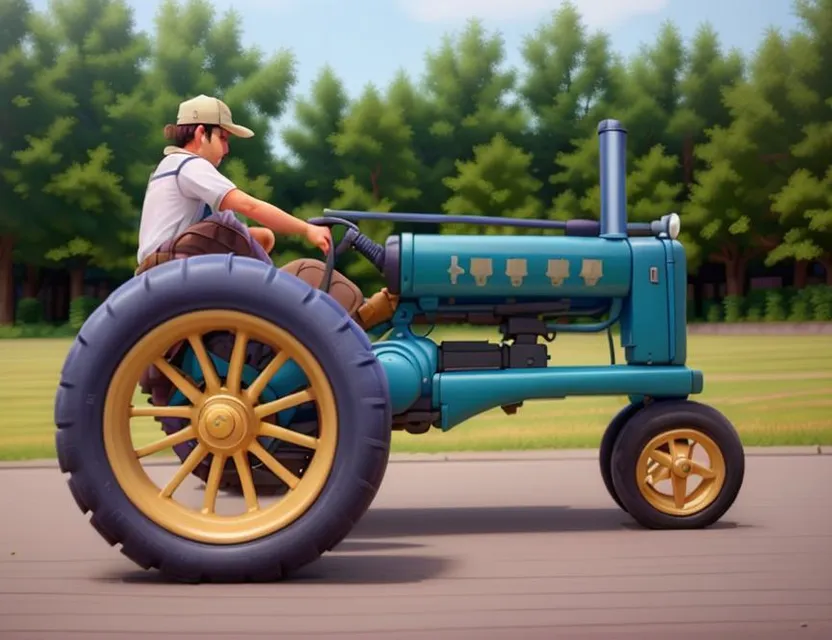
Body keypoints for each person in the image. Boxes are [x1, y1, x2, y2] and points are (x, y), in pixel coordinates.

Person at [136, 94, 398, 330]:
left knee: (263, 238)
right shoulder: (188, 164)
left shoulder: (168, 168)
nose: (226, 149)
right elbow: (249, 206)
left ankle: (356, 314)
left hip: (170, 270)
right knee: (307, 272)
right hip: (173, 271)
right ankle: (360, 315)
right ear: (201, 132)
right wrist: (306, 229)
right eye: (223, 138)